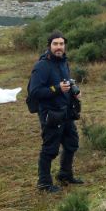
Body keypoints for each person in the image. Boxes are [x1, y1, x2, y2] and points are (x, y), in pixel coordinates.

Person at [29, 30, 83, 193]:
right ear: (49, 46)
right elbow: (34, 92)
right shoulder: (42, 66)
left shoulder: (63, 62)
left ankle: (65, 175)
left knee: (71, 143)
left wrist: (74, 91)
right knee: (50, 148)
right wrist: (57, 88)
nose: (58, 47)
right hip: (50, 114)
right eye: (55, 44)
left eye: (61, 44)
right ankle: (44, 183)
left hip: (66, 112)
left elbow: (66, 83)